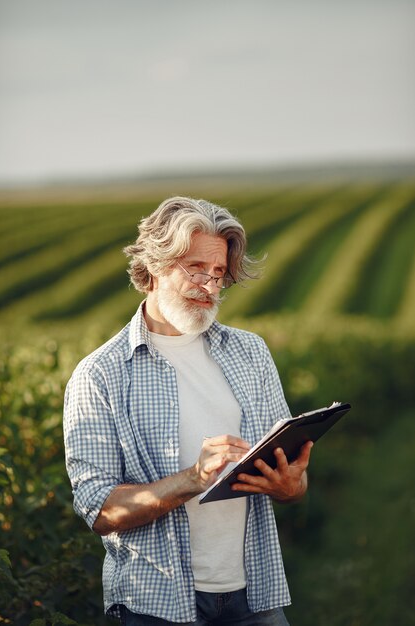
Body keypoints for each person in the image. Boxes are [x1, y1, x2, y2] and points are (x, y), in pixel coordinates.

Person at [63, 196, 313, 626]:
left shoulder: (250, 353)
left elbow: (295, 481)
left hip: (255, 595)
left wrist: (289, 486)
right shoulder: (99, 375)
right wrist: (192, 479)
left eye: (219, 274)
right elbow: (99, 510)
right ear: (155, 266)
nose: (210, 286)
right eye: (197, 268)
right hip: (156, 603)